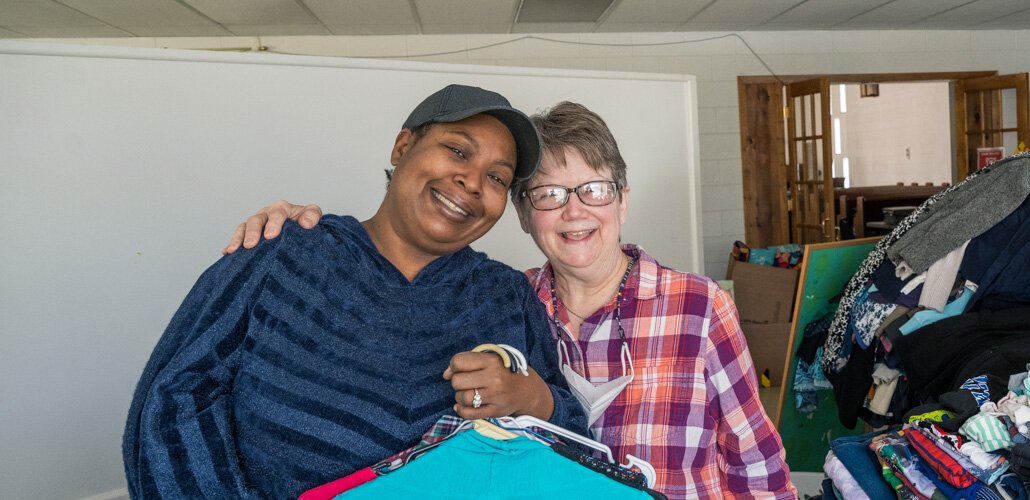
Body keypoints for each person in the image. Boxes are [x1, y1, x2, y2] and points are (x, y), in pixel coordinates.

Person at [226, 102, 797, 498]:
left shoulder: (697, 307)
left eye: (594, 189)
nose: (574, 211)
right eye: (548, 194)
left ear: (621, 200)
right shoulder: (502, 302)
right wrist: (299, 225)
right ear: (524, 215)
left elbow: (758, 466)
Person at [124, 85, 585, 499]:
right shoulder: (280, 255)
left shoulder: (506, 296)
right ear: (403, 146)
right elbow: (172, 401)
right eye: (457, 151)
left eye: (498, 178)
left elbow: (573, 438)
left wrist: (536, 399)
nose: (472, 182)